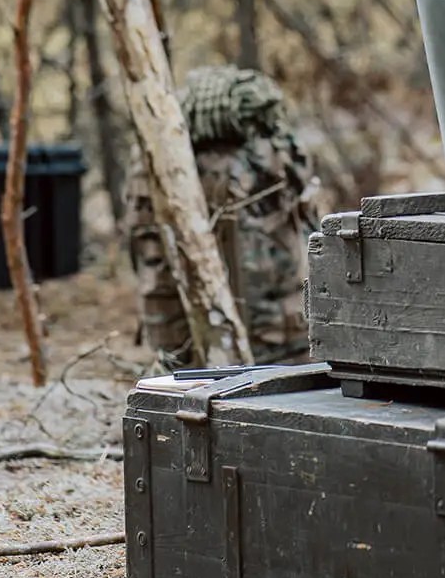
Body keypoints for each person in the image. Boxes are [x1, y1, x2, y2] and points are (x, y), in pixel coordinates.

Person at [125, 66, 319, 365]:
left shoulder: (153, 161)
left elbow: (142, 248)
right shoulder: (272, 152)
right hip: (281, 339)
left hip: (185, 344)